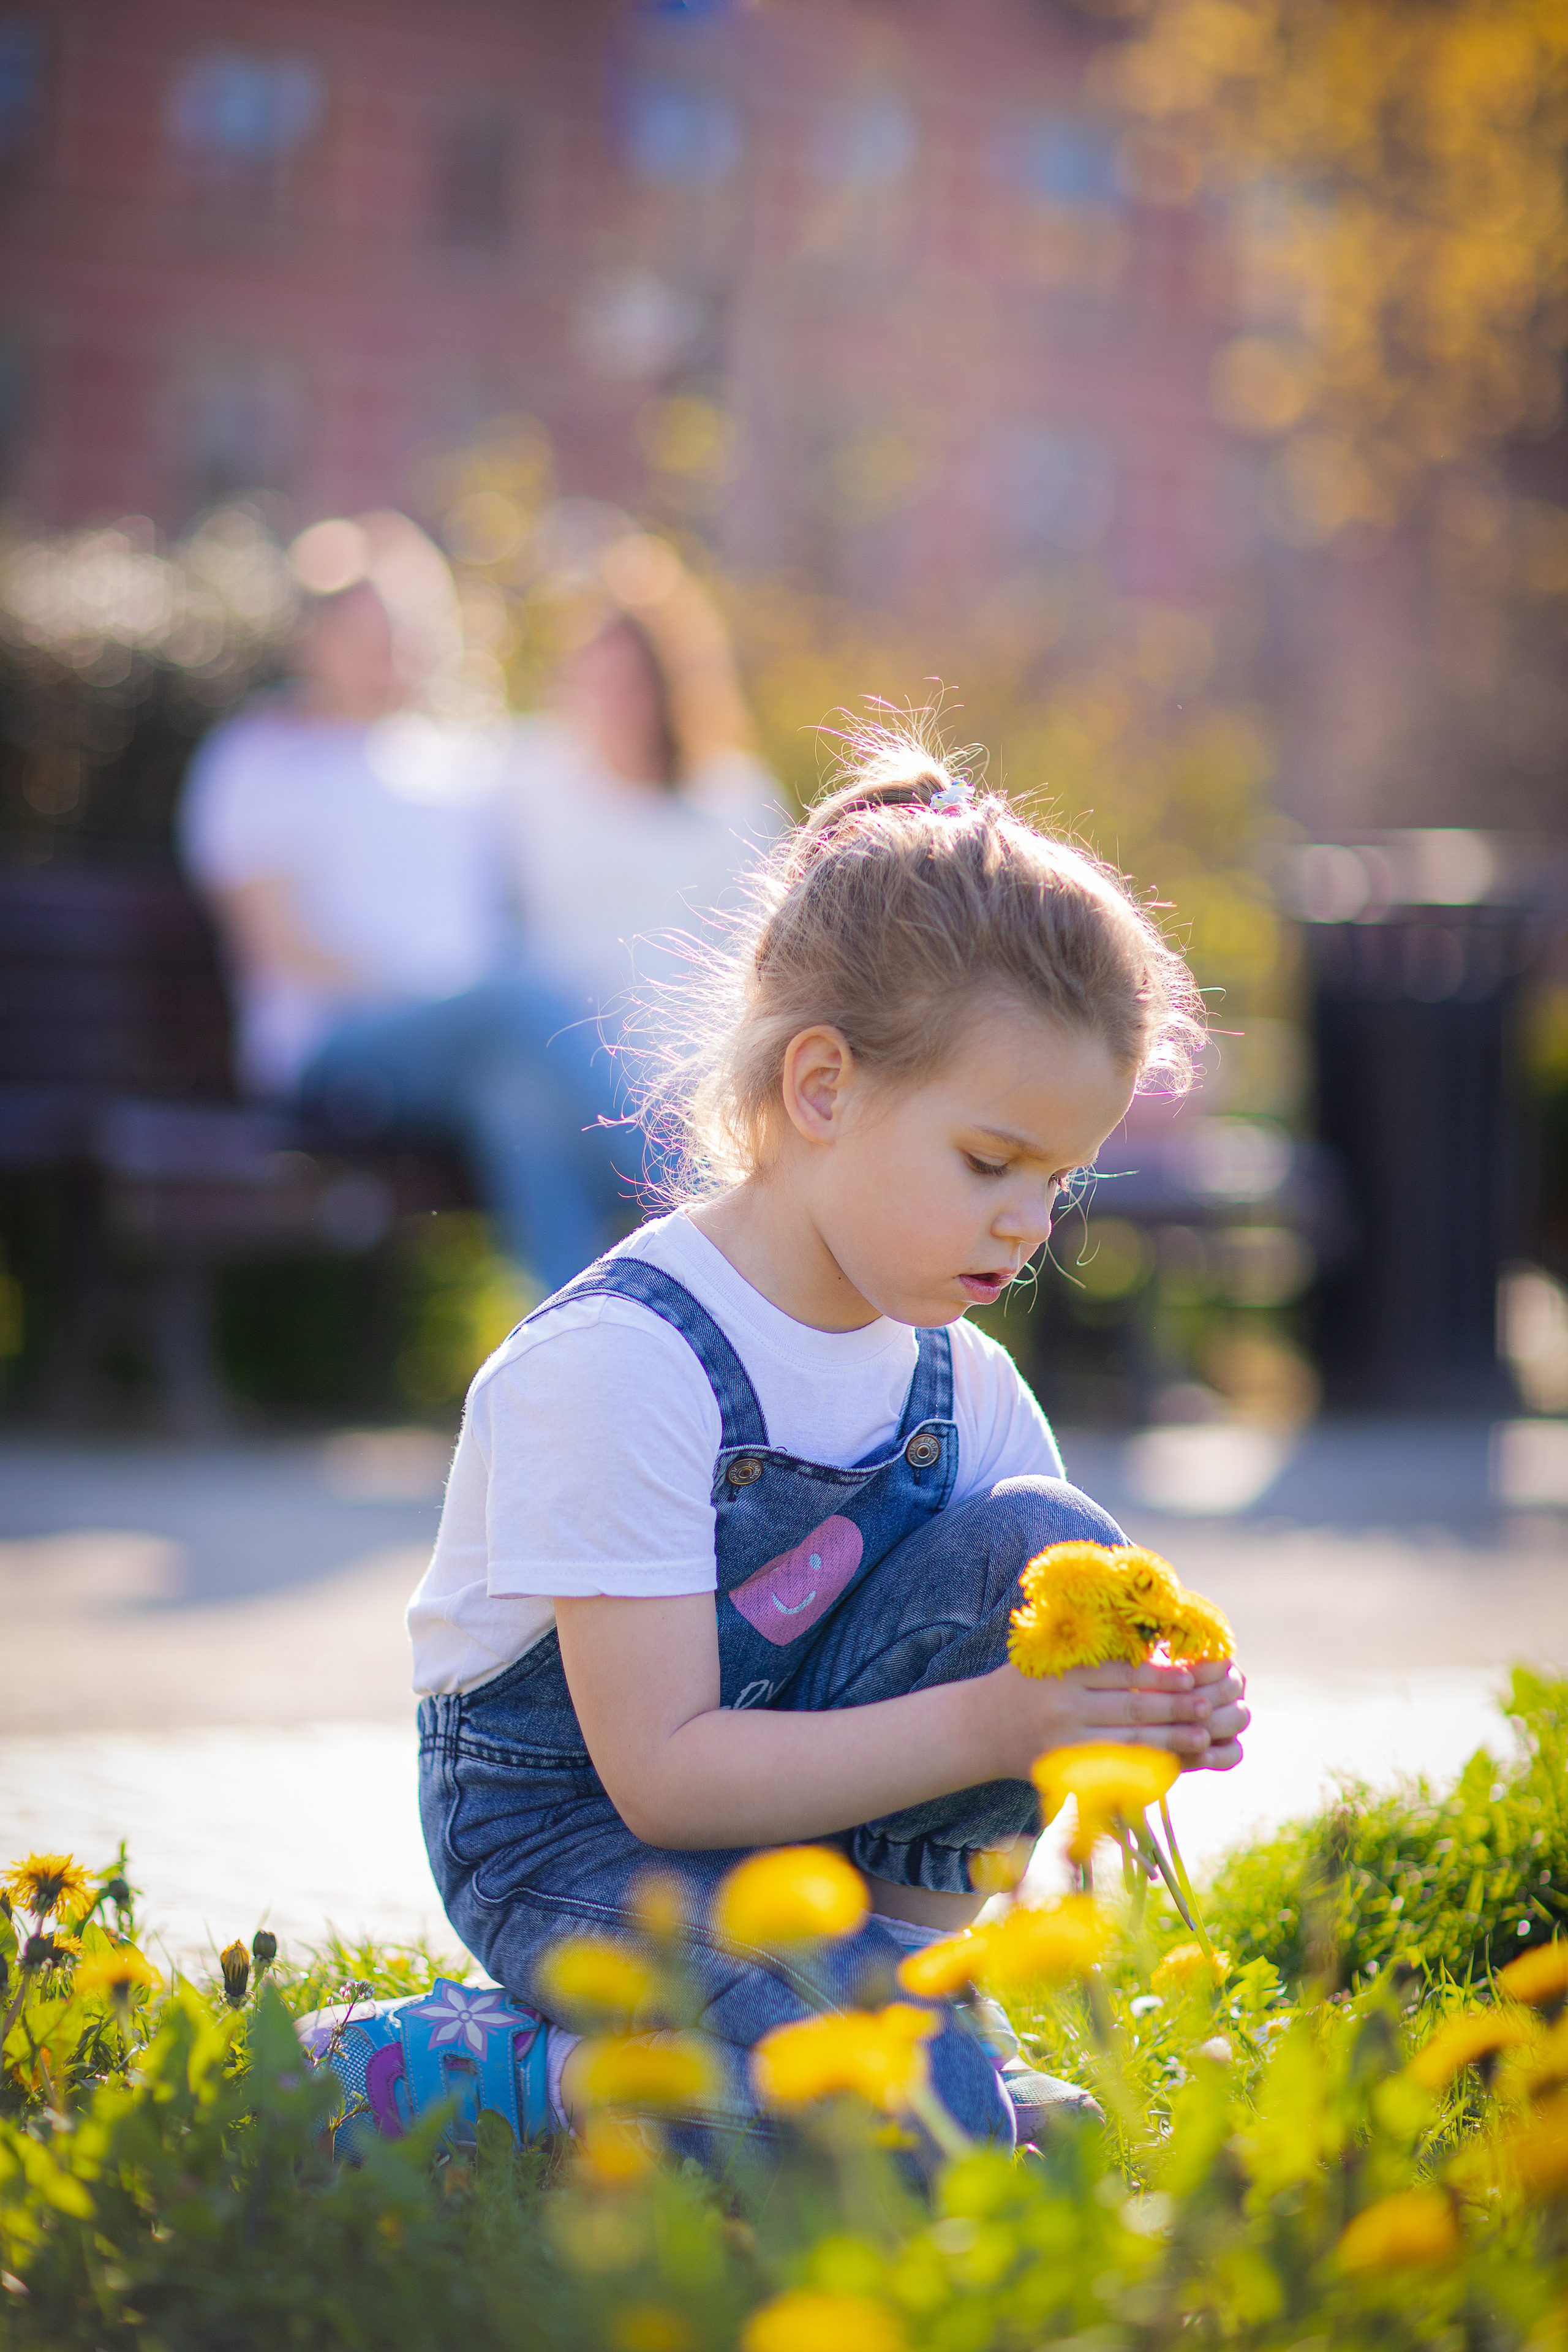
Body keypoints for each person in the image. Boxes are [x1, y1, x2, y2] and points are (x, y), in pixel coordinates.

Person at [403, 726, 1251, 2168]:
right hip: (572, 1851)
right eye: (989, 1163)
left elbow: (1020, 1641)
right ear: (820, 1088)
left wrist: (1138, 1694)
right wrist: (1002, 1726)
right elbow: (659, 1780)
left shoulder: (957, 1381)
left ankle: (890, 2007)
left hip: (809, 1863)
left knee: (1049, 1549)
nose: (1028, 1225)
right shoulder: (623, 1362)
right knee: (946, 2119)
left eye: (1057, 1178)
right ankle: (467, 2072)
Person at [179, 514, 623, 1289]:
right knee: (520, 995)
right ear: (312, 641)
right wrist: (438, 993)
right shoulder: (258, 758)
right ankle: (703, 1191)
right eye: (367, 637)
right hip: (334, 1055)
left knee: (517, 1102)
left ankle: (583, 1356)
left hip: (461, 1051)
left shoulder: (453, 767)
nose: (389, 657)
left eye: (403, 636)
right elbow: (279, 944)